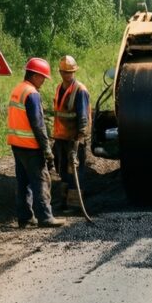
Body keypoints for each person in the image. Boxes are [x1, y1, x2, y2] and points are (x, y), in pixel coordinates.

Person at [6, 58, 65, 228]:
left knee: (23, 182)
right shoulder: (32, 94)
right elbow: (38, 125)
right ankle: (45, 217)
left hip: (16, 144)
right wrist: (47, 150)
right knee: (41, 180)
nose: (44, 81)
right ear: (34, 75)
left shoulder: (18, 89)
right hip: (31, 146)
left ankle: (24, 217)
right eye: (43, 78)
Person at [52, 55, 91, 215]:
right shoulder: (59, 88)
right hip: (61, 138)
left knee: (74, 170)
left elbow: (83, 119)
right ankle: (63, 201)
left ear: (74, 72)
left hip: (74, 139)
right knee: (62, 170)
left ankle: (75, 206)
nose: (67, 75)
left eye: (70, 72)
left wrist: (78, 142)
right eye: (65, 72)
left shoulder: (80, 91)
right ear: (60, 72)